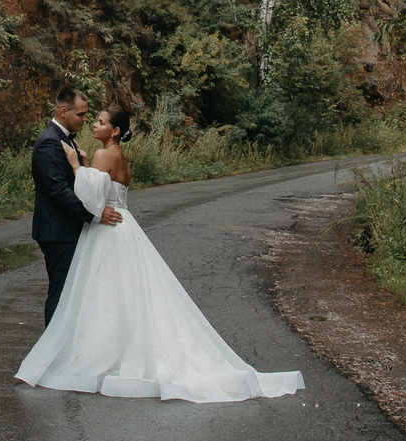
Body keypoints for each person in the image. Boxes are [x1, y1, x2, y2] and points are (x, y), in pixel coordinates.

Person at [16, 103, 304, 403]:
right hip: (126, 226)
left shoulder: (103, 154)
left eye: (100, 122)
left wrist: (76, 167)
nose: (93, 125)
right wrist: (87, 167)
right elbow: (109, 186)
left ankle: (98, 353)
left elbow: (91, 198)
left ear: (114, 130)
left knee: (102, 294)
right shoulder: (121, 156)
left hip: (108, 229)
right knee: (127, 294)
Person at [30, 88, 120, 324]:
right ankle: (52, 354)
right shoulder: (48, 143)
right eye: (80, 114)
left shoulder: (65, 139)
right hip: (57, 232)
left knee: (73, 293)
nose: (84, 120)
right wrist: (96, 215)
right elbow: (59, 192)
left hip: (68, 229)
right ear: (63, 111)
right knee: (61, 293)